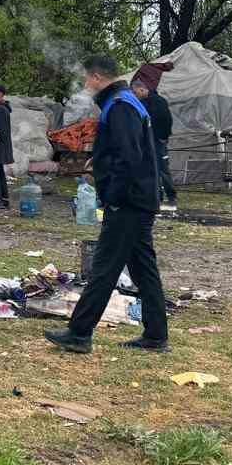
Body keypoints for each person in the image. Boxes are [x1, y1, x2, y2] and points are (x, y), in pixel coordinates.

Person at [45, 54, 170, 354]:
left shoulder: (120, 105)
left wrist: (112, 196)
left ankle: (79, 333)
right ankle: (155, 334)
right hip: (139, 198)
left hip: (128, 201)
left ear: (98, 77)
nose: (86, 83)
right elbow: (125, 151)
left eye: (88, 78)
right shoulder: (126, 101)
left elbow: (129, 157)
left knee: (104, 267)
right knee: (143, 269)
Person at [130, 66, 178, 209]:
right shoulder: (141, 103)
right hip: (146, 141)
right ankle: (156, 195)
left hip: (157, 141)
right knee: (150, 169)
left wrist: (163, 137)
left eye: (135, 92)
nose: (134, 95)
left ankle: (171, 196)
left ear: (142, 89)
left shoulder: (158, 101)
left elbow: (166, 120)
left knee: (162, 168)